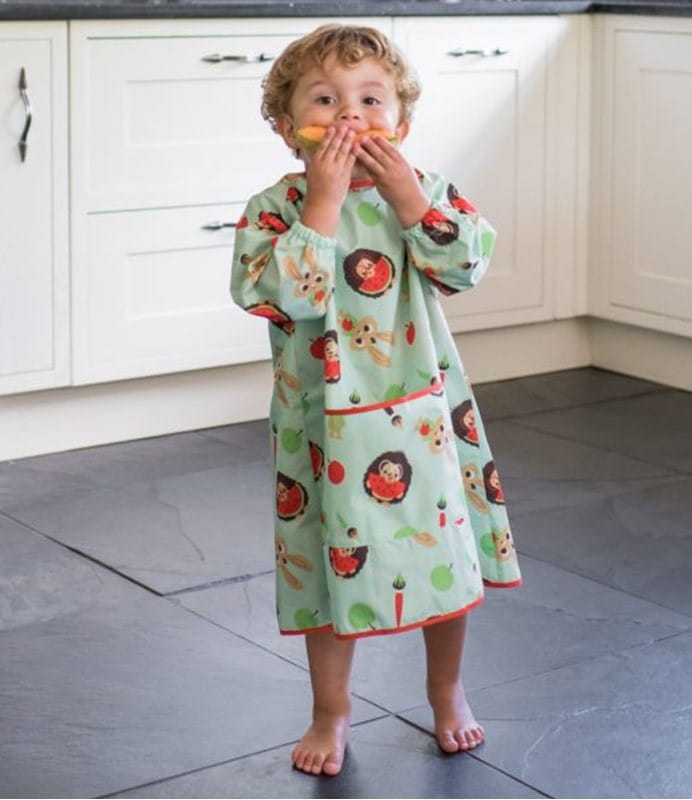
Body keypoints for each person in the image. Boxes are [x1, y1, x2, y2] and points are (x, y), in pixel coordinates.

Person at [230, 24, 522, 777]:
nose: (350, 116)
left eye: (369, 100)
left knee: (441, 552)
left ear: (402, 123)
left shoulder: (422, 191)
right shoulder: (276, 208)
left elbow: (464, 266)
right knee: (326, 563)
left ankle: (446, 690)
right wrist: (324, 204)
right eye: (326, 100)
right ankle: (331, 709)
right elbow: (283, 296)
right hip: (319, 425)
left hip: (421, 415)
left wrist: (410, 199)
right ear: (286, 126)